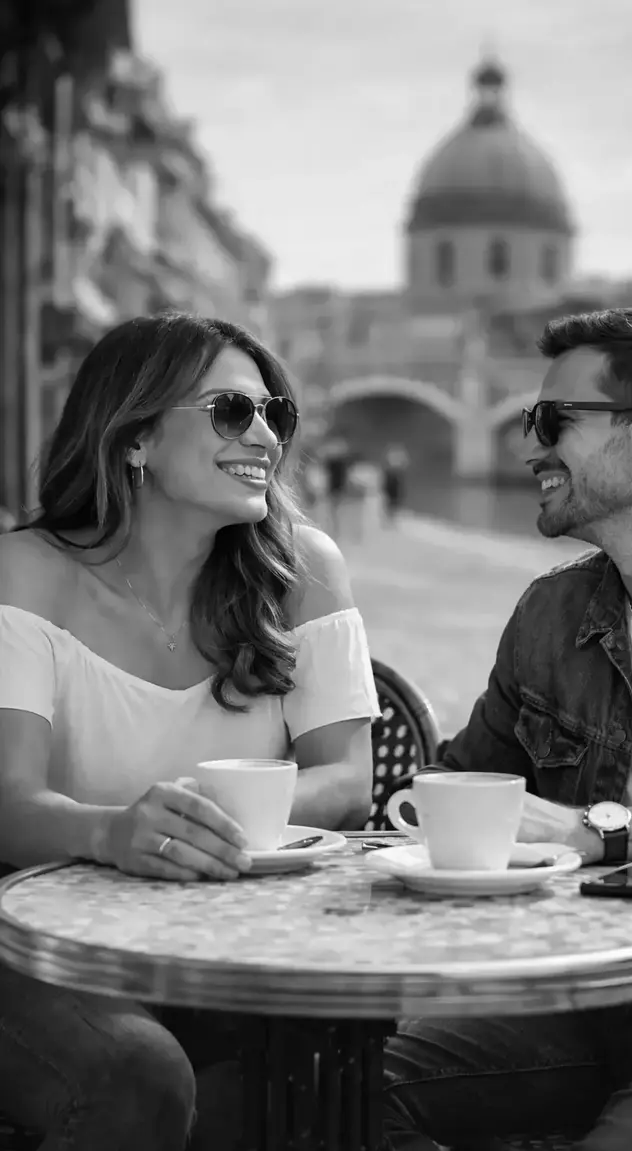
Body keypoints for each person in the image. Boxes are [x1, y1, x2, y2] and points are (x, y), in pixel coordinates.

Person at [384, 308, 632, 1151]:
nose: (532, 445)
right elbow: (454, 791)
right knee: (322, 1090)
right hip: (573, 988)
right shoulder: (549, 612)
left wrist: (594, 833)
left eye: (555, 419)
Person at [0, 313, 378, 1150]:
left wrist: (197, 821)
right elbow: (8, 802)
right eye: (231, 411)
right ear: (134, 437)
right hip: (30, 937)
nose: (265, 437)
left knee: (334, 1052)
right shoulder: (26, 570)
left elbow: (349, 781)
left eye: (274, 413)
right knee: (140, 1072)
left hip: (232, 929)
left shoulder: (305, 568)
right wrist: (113, 831)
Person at [382, 443, 409, 525]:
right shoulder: (390, 474)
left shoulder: (396, 475)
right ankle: (391, 517)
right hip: (392, 481)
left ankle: (392, 517)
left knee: (395, 497)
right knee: (392, 498)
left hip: (395, 481)